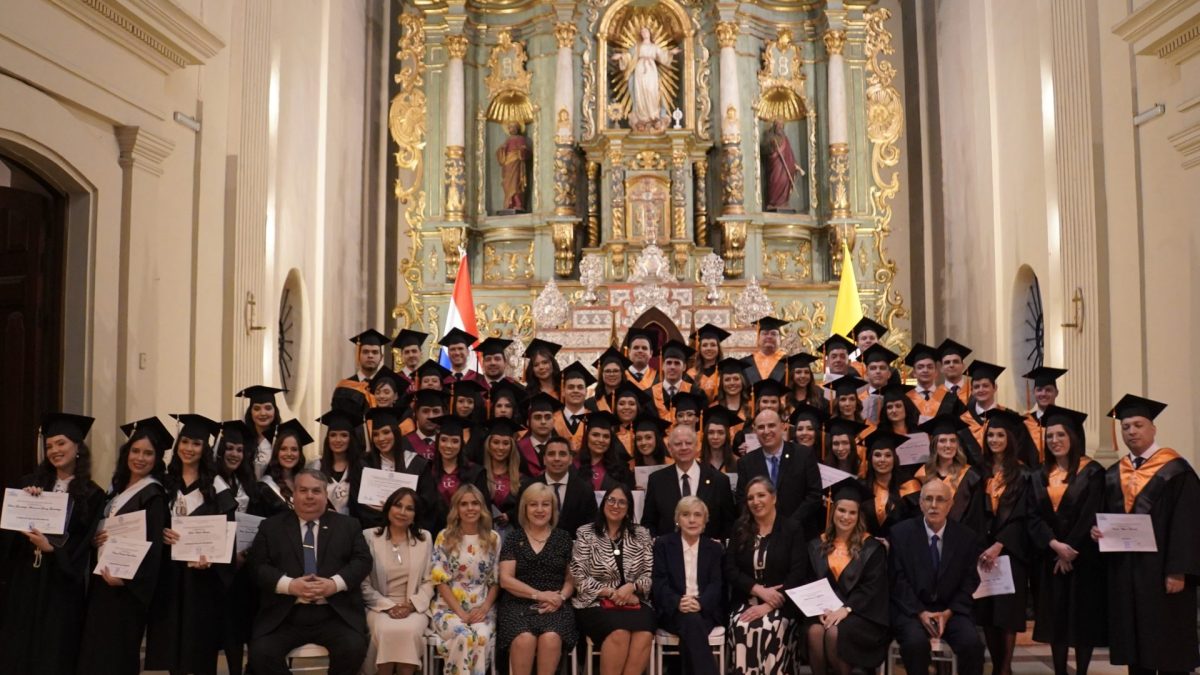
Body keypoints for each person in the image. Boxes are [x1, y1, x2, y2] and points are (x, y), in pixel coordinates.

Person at [1090, 395, 1200, 674]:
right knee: (1135, 644)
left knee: (1169, 642)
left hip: (1163, 571)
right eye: (1125, 427)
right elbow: (1108, 516)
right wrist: (1098, 532)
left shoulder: (1177, 471)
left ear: (1153, 429)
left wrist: (1178, 570)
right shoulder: (1115, 473)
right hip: (1127, 572)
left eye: (1138, 425)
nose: (1131, 432)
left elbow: (1187, 524)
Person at [0, 413, 104, 675]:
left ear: (78, 447)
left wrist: (54, 550)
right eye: (49, 446)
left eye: (61, 443)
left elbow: (84, 546)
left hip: (61, 585)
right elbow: (8, 536)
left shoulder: (92, 495)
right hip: (27, 579)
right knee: (20, 644)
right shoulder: (29, 485)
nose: (54, 451)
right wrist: (25, 504)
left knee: (55, 649)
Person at [246, 469, 371, 675]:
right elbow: (257, 567)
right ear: (293, 494)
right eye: (303, 490)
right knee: (261, 653)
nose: (309, 496)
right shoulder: (271, 527)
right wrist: (290, 586)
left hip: (334, 614)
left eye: (316, 491)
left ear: (325, 494)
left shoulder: (348, 526)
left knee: (353, 649)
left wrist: (334, 584)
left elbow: (363, 561)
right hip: (285, 615)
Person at [76, 417, 172, 675]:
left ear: (157, 458)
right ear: (127, 452)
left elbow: (153, 549)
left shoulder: (153, 495)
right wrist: (98, 536)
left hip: (125, 590)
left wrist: (129, 581)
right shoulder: (116, 489)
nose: (140, 458)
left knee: (117, 655)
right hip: (102, 582)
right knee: (95, 651)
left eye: (148, 453)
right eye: (136, 450)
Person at [146, 414, 236, 675]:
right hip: (170, 575)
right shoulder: (163, 482)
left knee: (200, 644)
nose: (189, 448)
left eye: (196, 444)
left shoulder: (217, 487)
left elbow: (227, 533)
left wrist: (213, 557)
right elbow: (152, 523)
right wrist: (160, 533)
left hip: (202, 579)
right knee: (171, 643)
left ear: (205, 449)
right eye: (184, 442)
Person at [1028, 406, 1106, 675]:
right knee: (1056, 619)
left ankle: (1081, 671)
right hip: (1051, 558)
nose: (1054, 441)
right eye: (1049, 436)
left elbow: (1091, 514)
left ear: (1073, 436)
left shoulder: (1093, 471)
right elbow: (1032, 516)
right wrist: (1055, 545)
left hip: (1083, 559)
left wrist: (1069, 549)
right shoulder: (1039, 474)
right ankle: (1060, 670)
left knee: (1083, 618)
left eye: (1060, 435)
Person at [889, 479, 985, 675]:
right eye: (928, 499)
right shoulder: (900, 533)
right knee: (915, 644)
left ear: (950, 504)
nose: (934, 505)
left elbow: (970, 581)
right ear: (921, 503)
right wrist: (920, 612)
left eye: (940, 500)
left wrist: (949, 612)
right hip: (912, 611)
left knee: (972, 644)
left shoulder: (966, 537)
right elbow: (897, 579)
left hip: (951, 610)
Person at [724, 476, 811, 674]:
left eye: (761, 495)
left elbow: (798, 573)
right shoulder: (740, 527)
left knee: (771, 627)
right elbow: (730, 569)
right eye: (750, 498)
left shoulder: (792, 529)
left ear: (774, 497)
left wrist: (770, 604)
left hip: (784, 603)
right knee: (742, 626)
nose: (756, 502)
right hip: (746, 600)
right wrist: (757, 590)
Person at [805, 482, 890, 675]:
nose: (846, 517)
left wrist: (846, 609)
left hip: (861, 615)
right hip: (825, 611)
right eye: (841, 510)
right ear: (833, 511)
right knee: (815, 631)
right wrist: (818, 608)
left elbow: (872, 589)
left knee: (835, 632)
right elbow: (810, 582)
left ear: (859, 516)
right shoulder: (818, 544)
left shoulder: (871, 548)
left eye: (852, 513)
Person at [570, 484, 656, 675]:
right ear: (603, 503)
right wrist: (613, 593)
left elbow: (649, 573)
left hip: (635, 601)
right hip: (595, 602)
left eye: (622, 502)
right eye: (611, 500)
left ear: (628, 509)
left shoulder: (641, 534)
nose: (615, 505)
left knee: (644, 632)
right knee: (619, 633)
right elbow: (579, 577)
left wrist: (633, 587)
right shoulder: (586, 533)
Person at [974, 408, 1035, 675]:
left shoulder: (1022, 473)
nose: (995, 440)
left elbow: (1024, 513)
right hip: (983, 551)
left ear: (1010, 438)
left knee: (1007, 615)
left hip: (1011, 551)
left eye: (1000, 435)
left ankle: (1005, 668)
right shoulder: (979, 471)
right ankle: (997, 664)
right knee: (986, 611)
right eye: (991, 435)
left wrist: (1000, 544)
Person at [498, 483, 578, 675]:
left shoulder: (564, 538)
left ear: (553, 509)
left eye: (546, 504)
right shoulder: (512, 538)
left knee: (551, 638)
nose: (540, 510)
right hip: (518, 604)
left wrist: (561, 598)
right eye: (534, 504)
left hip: (555, 605)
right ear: (525, 508)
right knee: (524, 639)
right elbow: (505, 580)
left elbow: (571, 579)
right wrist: (539, 595)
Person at [360, 487, 435, 675]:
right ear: (388, 508)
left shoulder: (425, 538)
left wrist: (410, 606)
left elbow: (429, 580)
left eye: (409, 508)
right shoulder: (369, 536)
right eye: (398, 505)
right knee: (386, 629)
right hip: (378, 606)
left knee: (409, 631)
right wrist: (388, 606)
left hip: (414, 607)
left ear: (415, 514)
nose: (402, 512)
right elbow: (363, 583)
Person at [428, 484, 500, 675]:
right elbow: (440, 580)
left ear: (482, 507)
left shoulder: (493, 538)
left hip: (482, 608)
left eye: (475, 503)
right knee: (463, 635)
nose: (470, 508)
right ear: (456, 509)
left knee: (481, 637)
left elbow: (495, 581)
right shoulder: (444, 537)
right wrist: (461, 613)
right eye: (464, 504)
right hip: (448, 608)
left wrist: (483, 609)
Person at [651, 497, 724, 675]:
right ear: (677, 519)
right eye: (685, 514)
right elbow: (659, 583)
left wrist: (700, 603)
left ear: (705, 520)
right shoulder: (663, 545)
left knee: (692, 622)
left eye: (697, 515)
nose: (692, 520)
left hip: (705, 611)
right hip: (673, 611)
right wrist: (678, 602)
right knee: (691, 621)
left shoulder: (714, 548)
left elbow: (717, 584)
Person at [214, 420, 260, 675]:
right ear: (220, 451)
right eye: (229, 448)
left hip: (244, 567)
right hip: (220, 569)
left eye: (239, 450)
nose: (234, 454)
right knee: (228, 625)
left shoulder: (248, 484)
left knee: (246, 620)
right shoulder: (212, 483)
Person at [642, 424, 734, 539]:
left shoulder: (719, 480)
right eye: (678, 444)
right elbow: (648, 522)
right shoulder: (657, 480)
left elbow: (729, 523)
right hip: (668, 553)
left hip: (708, 553)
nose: (683, 447)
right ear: (670, 448)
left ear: (697, 446)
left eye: (688, 443)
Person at [734, 408, 822, 527]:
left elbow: (814, 495)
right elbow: (742, 500)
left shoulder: (803, 455)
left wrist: (791, 524)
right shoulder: (746, 462)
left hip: (800, 532)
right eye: (761, 427)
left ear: (782, 427)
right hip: (761, 532)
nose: (766, 431)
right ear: (755, 431)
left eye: (771, 425)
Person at [416, 415, 489, 535]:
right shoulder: (426, 471)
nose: (448, 446)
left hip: (467, 534)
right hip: (431, 535)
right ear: (437, 442)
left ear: (461, 444)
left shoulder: (476, 473)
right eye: (444, 440)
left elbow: (484, 511)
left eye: (455, 441)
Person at [913, 414, 985, 535]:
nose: (948, 445)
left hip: (962, 538)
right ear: (934, 444)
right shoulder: (922, 475)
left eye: (953, 440)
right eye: (942, 441)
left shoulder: (970, 476)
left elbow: (976, 517)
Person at [958, 360, 1038, 468]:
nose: (981, 390)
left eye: (985, 385)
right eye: (977, 387)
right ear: (972, 391)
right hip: (974, 480)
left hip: (1009, 476)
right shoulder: (962, 423)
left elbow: (1024, 452)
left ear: (995, 388)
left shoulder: (1011, 418)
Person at [610, 25, 679, 131]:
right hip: (640, 71)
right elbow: (629, 55)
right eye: (642, 32)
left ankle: (654, 116)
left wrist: (670, 52)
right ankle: (642, 117)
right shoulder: (637, 46)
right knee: (640, 92)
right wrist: (620, 56)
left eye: (646, 31)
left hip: (651, 71)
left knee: (652, 91)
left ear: (650, 33)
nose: (644, 33)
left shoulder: (654, 47)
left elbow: (662, 55)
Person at [860, 428, 920, 540]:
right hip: (867, 550)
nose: (882, 460)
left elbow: (916, 524)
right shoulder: (862, 488)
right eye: (877, 455)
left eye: (888, 455)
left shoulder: (910, 487)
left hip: (900, 548)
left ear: (894, 459)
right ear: (870, 459)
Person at [534, 436, 596, 536]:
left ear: (571, 459)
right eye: (551, 454)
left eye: (562, 454)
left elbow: (591, 527)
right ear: (544, 459)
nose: (557, 458)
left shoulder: (585, 490)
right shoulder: (529, 488)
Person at [481, 417, 531, 535]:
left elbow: (526, 508)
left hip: (512, 537)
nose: (500, 448)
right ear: (488, 444)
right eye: (496, 442)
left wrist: (510, 515)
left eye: (505, 443)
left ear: (512, 446)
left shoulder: (521, 479)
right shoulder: (479, 475)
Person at [253, 419, 313, 518]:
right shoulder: (264, 489)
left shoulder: (305, 483)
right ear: (276, 452)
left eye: (294, 449)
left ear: (300, 453)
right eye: (283, 449)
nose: (289, 454)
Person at [312, 408, 365, 516]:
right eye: (333, 435)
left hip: (353, 527)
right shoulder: (316, 467)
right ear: (328, 439)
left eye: (344, 435)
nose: (338, 440)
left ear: (351, 439)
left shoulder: (361, 467)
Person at [576, 410, 633, 491]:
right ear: (587, 437)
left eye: (606, 436)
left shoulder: (621, 470)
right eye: (595, 435)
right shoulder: (573, 467)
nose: (601, 440)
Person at [1021, 366, 1068, 462]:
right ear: (1034, 392)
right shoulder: (1024, 423)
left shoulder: (1068, 420)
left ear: (1056, 392)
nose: (1043, 394)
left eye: (1048, 390)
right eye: (1039, 390)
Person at [238, 384, 284, 478]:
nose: (262, 413)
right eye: (257, 408)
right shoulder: (242, 438)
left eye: (268, 408)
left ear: (275, 411)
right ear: (250, 412)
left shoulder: (282, 439)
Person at [517, 392, 563, 475]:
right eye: (538, 417)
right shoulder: (517, 450)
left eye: (548, 417)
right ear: (528, 422)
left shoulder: (563, 448)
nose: (543, 422)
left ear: (554, 421)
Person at [650, 339, 698, 418]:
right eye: (669, 363)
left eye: (677, 363)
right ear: (663, 366)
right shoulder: (650, 395)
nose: (672, 367)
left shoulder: (695, 393)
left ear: (684, 367)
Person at [555, 362, 594, 451]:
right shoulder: (553, 419)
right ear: (563, 392)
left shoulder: (593, 419)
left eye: (580, 387)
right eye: (571, 387)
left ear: (586, 392)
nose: (575, 391)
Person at [763, 119, 802, 210]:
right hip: (775, 165)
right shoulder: (770, 137)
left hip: (785, 167)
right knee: (775, 181)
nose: (779, 127)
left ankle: (783, 202)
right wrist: (771, 146)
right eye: (778, 125)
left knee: (785, 181)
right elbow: (764, 149)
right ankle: (773, 202)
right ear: (774, 126)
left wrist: (795, 164)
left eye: (781, 125)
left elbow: (790, 154)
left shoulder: (785, 139)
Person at [741, 315, 789, 385]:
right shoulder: (745, 363)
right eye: (765, 333)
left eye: (773, 334)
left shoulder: (789, 362)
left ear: (780, 339)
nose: (769, 336)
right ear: (758, 338)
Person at [688, 323, 730, 401]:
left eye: (713, 345)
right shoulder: (690, 375)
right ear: (699, 349)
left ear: (718, 348)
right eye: (704, 345)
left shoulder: (726, 372)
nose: (709, 348)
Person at [400, 389, 445, 461]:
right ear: (416, 413)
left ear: (443, 414)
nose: (431, 416)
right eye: (425, 411)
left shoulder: (447, 445)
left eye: (436, 411)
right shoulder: (403, 443)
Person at [904, 342, 945, 419]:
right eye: (920, 367)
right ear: (914, 373)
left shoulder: (948, 398)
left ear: (936, 372)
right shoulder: (905, 398)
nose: (925, 370)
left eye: (930, 367)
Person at [497, 122, 532, 211]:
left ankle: (518, 203)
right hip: (508, 164)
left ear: (517, 129)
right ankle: (509, 203)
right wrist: (502, 149)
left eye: (513, 127)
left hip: (516, 163)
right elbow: (501, 154)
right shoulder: (508, 140)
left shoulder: (521, 139)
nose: (511, 129)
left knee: (516, 183)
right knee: (507, 183)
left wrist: (522, 151)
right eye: (510, 127)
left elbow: (526, 151)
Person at [587, 347, 632, 412]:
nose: (611, 374)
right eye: (607, 371)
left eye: (615, 371)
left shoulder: (632, 402)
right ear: (601, 374)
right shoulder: (590, 404)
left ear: (622, 374)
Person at [934, 338, 972, 414]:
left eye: (956, 361)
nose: (951, 365)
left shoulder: (974, 392)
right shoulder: (935, 395)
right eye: (947, 362)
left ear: (963, 366)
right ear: (941, 368)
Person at [701, 405, 740, 473]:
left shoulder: (738, 463)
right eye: (711, 432)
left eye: (721, 432)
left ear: (727, 435)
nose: (715, 437)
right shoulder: (698, 463)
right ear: (706, 435)